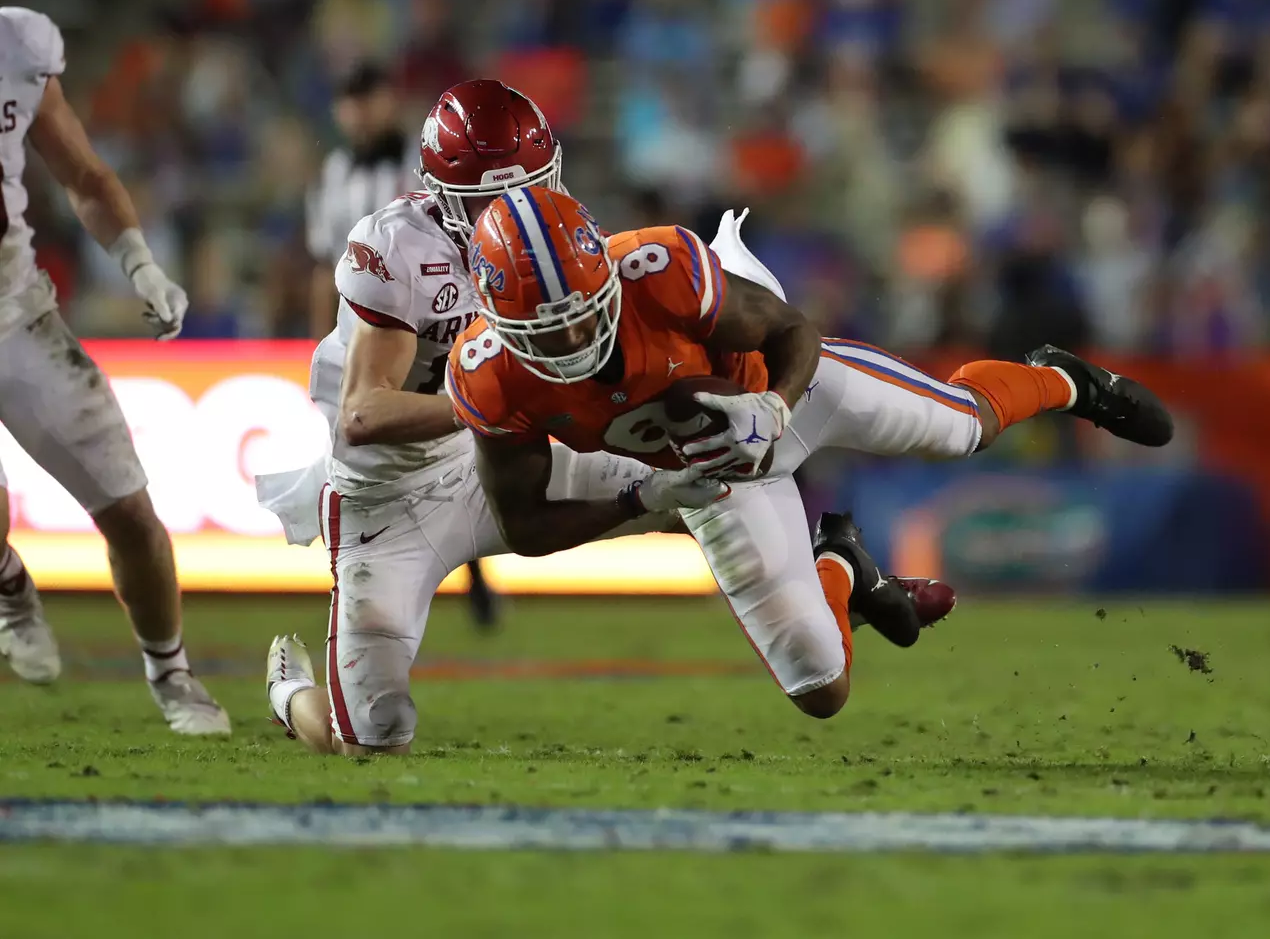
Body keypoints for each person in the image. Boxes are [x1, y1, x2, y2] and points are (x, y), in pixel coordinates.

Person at [257, 80, 944, 755]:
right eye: (494, 197)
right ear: (444, 199)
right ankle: (293, 697)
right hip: (393, 497)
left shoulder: (559, 241)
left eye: (531, 187)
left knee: (698, 455)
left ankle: (828, 577)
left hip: (496, 456)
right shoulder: (400, 250)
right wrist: (494, 403)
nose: (519, 210)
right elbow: (362, 414)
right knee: (371, 740)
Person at [446, 186, 1173, 719]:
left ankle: (1064, 380)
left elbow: (794, 331)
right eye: (547, 333)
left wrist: (773, 407)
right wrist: (644, 499)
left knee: (963, 428)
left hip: (789, 391)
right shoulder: (487, 375)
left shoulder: (658, 269)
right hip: (707, 477)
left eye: (581, 316)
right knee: (821, 690)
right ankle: (843, 567)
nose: (574, 342)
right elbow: (523, 527)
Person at [0, 6, 228, 734]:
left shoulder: (19, 45)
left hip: (14, 313)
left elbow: (85, 175)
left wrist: (140, 264)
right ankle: (9, 586)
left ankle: (172, 675)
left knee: (131, 513)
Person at [304, 61, 499, 627]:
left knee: (460, 441)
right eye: (349, 100)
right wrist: (323, 332)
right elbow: (324, 260)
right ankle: (373, 572)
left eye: (367, 98)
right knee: (370, 453)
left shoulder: (427, 173)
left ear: (388, 101)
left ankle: (472, 572)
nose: (358, 112)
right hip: (369, 327)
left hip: (437, 319)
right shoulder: (335, 171)